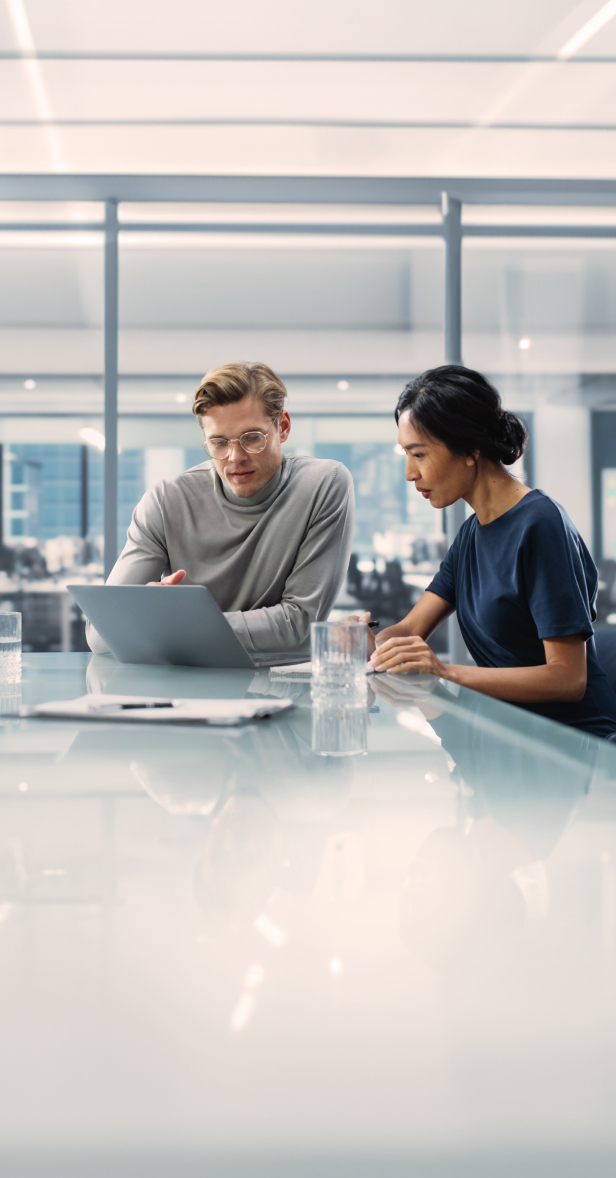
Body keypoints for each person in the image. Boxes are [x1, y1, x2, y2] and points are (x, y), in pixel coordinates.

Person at [357, 364, 616, 739]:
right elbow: (411, 629)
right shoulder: (471, 535)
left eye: (419, 455)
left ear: (469, 449)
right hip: (507, 733)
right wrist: (374, 645)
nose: (410, 474)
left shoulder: (540, 525)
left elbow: (568, 678)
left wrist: (443, 671)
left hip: (573, 745)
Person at [86, 362, 354, 657]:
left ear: (284, 427)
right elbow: (100, 634)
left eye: (252, 437)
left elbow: (300, 625)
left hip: (282, 690)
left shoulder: (323, 484)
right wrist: (156, 615)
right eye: (218, 442)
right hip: (185, 691)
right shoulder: (165, 501)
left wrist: (170, 626)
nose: (235, 457)